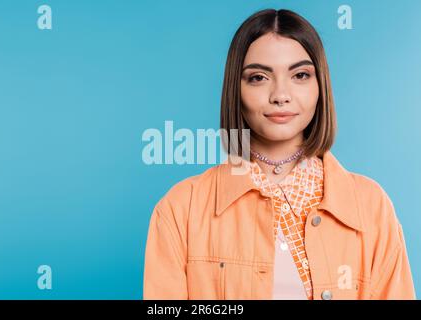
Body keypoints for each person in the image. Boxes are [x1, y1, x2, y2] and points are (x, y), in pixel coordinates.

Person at [143, 8, 416, 300]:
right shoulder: (180, 209)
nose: (280, 95)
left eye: (300, 75)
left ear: (320, 86)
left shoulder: (371, 207)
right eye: (259, 77)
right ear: (236, 89)